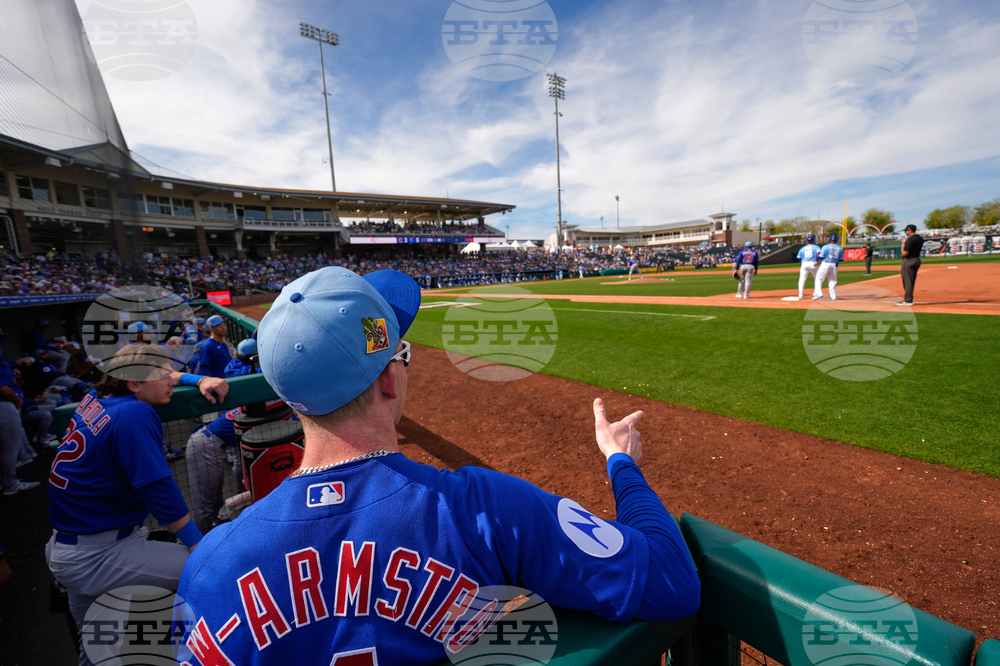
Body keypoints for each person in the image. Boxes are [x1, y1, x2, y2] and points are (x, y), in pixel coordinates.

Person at [176, 267, 700, 666]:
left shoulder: (211, 566)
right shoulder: (480, 508)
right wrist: (621, 463)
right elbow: (672, 581)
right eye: (400, 353)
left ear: (290, 397)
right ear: (387, 379)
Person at [45, 344, 229, 666]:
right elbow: (159, 491)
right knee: (216, 571)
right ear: (134, 383)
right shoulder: (133, 413)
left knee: (94, 651)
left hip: (69, 548)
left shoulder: (96, 399)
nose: (171, 381)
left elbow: (165, 376)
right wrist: (197, 545)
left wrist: (195, 379)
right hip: (100, 554)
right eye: (162, 374)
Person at [185, 407, 241, 534]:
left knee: (216, 501)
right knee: (205, 506)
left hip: (214, 444)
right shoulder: (255, 410)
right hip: (203, 446)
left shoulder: (254, 406)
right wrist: (241, 491)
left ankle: (219, 536)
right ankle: (200, 544)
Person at [0, 326, 40, 496]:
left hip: (6, 402)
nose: (2, 332)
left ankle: (5, 481)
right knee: (10, 447)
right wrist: (16, 400)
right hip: (4, 403)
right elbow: (3, 389)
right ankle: (10, 484)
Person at [898, 224, 924, 306]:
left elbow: (904, 253)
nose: (905, 232)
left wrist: (903, 244)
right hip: (916, 259)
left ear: (910, 230)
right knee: (911, 280)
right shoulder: (920, 238)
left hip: (909, 260)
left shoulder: (910, 240)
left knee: (907, 281)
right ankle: (909, 298)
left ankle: (908, 300)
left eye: (906, 230)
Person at [814, 235, 843, 301]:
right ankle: (833, 296)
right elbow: (841, 259)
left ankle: (819, 293)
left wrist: (817, 260)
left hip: (825, 264)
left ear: (830, 240)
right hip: (834, 265)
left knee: (818, 278)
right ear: (836, 240)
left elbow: (821, 256)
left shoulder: (825, 247)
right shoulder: (839, 248)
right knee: (832, 281)